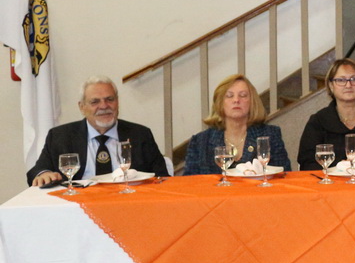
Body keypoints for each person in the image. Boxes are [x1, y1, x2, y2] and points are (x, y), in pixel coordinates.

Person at [27, 76, 169, 186]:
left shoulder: (140, 134)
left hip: (129, 203)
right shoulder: (60, 136)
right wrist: (44, 174)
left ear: (117, 102)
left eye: (109, 99)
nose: (104, 106)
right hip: (78, 206)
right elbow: (38, 170)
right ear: (82, 107)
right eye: (95, 102)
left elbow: (163, 177)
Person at [183, 74, 292, 174]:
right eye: (229, 96)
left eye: (243, 95)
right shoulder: (200, 142)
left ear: (252, 102)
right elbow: (189, 183)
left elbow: (284, 176)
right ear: (220, 103)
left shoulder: (270, 135)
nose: (236, 100)